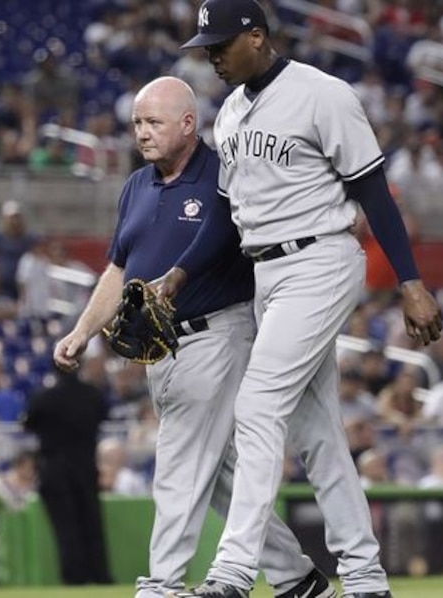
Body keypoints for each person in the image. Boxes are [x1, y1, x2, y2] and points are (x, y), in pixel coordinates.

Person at [164, 3, 442, 596]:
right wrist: (179, 275)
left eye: (219, 44)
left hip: (321, 258)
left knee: (258, 406)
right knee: (317, 433)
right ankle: (366, 577)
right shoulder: (230, 112)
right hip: (267, 272)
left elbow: (373, 190)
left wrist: (410, 280)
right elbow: (222, 214)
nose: (210, 55)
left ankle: (234, 573)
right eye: (205, 46)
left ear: (257, 37)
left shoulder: (323, 93)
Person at [53, 76, 333, 598]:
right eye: (137, 122)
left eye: (153, 121)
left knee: (181, 461)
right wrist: (83, 329)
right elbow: (118, 270)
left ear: (188, 123)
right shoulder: (136, 186)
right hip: (162, 352)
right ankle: (298, 579)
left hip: (217, 333)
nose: (142, 132)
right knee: (217, 474)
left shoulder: (224, 175)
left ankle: (161, 584)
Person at [22, 367, 111, 586]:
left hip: (55, 467)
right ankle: (100, 574)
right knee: (92, 521)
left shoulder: (44, 397)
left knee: (65, 526)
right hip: (86, 466)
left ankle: (75, 576)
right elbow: (103, 416)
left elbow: (28, 423)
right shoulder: (92, 394)